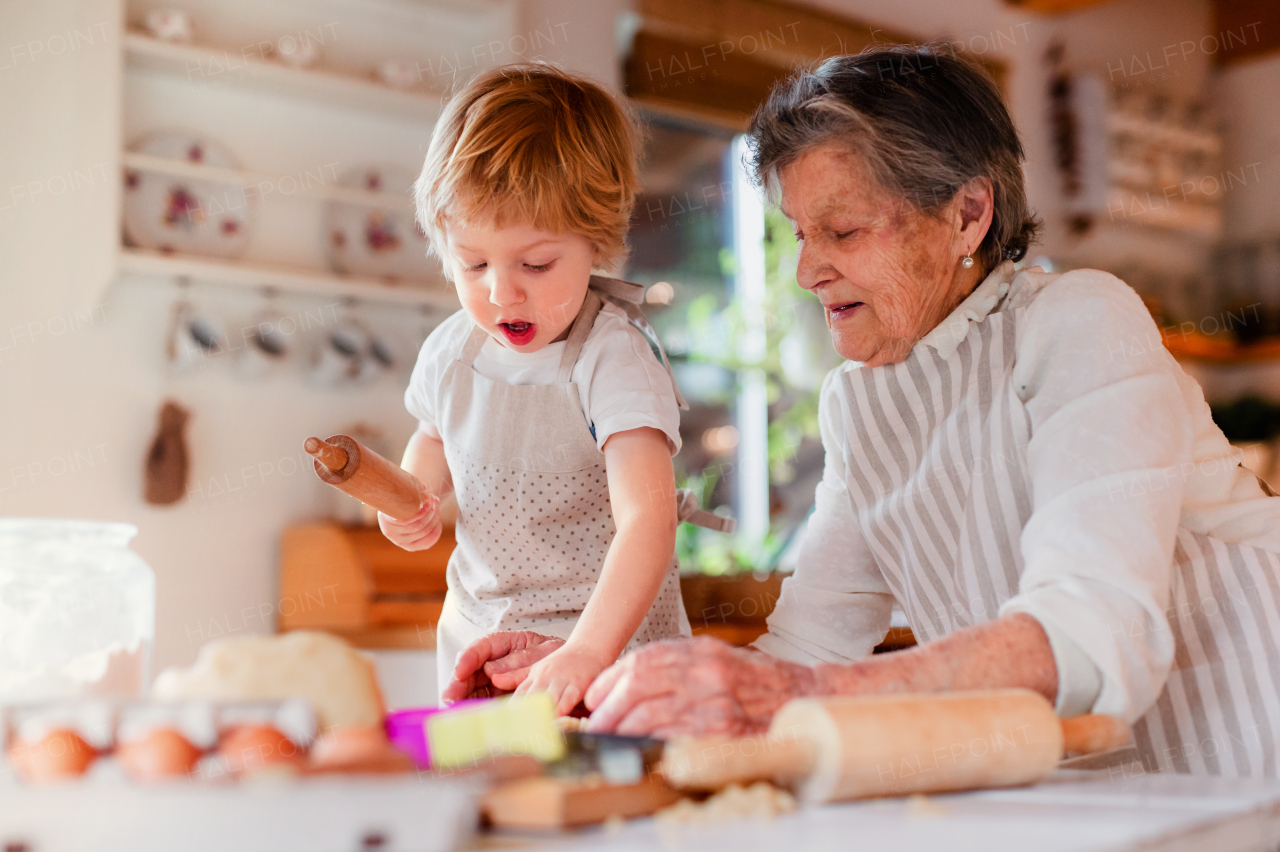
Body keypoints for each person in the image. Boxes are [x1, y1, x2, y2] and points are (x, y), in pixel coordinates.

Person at [505, 44, 1280, 778]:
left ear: (968, 215)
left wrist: (795, 697)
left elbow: (1091, 634)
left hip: (1244, 764)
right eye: (802, 235)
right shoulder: (861, 403)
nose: (808, 270)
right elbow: (809, 648)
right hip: (1092, 795)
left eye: (842, 230)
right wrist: (596, 679)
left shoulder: (1080, 320)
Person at [382, 64, 727, 715]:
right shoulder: (452, 351)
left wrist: (586, 653)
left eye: (535, 264)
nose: (500, 292)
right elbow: (430, 441)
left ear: (594, 241)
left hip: (599, 650)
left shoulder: (612, 358)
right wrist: (411, 499)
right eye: (473, 262)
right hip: (477, 644)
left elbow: (647, 521)